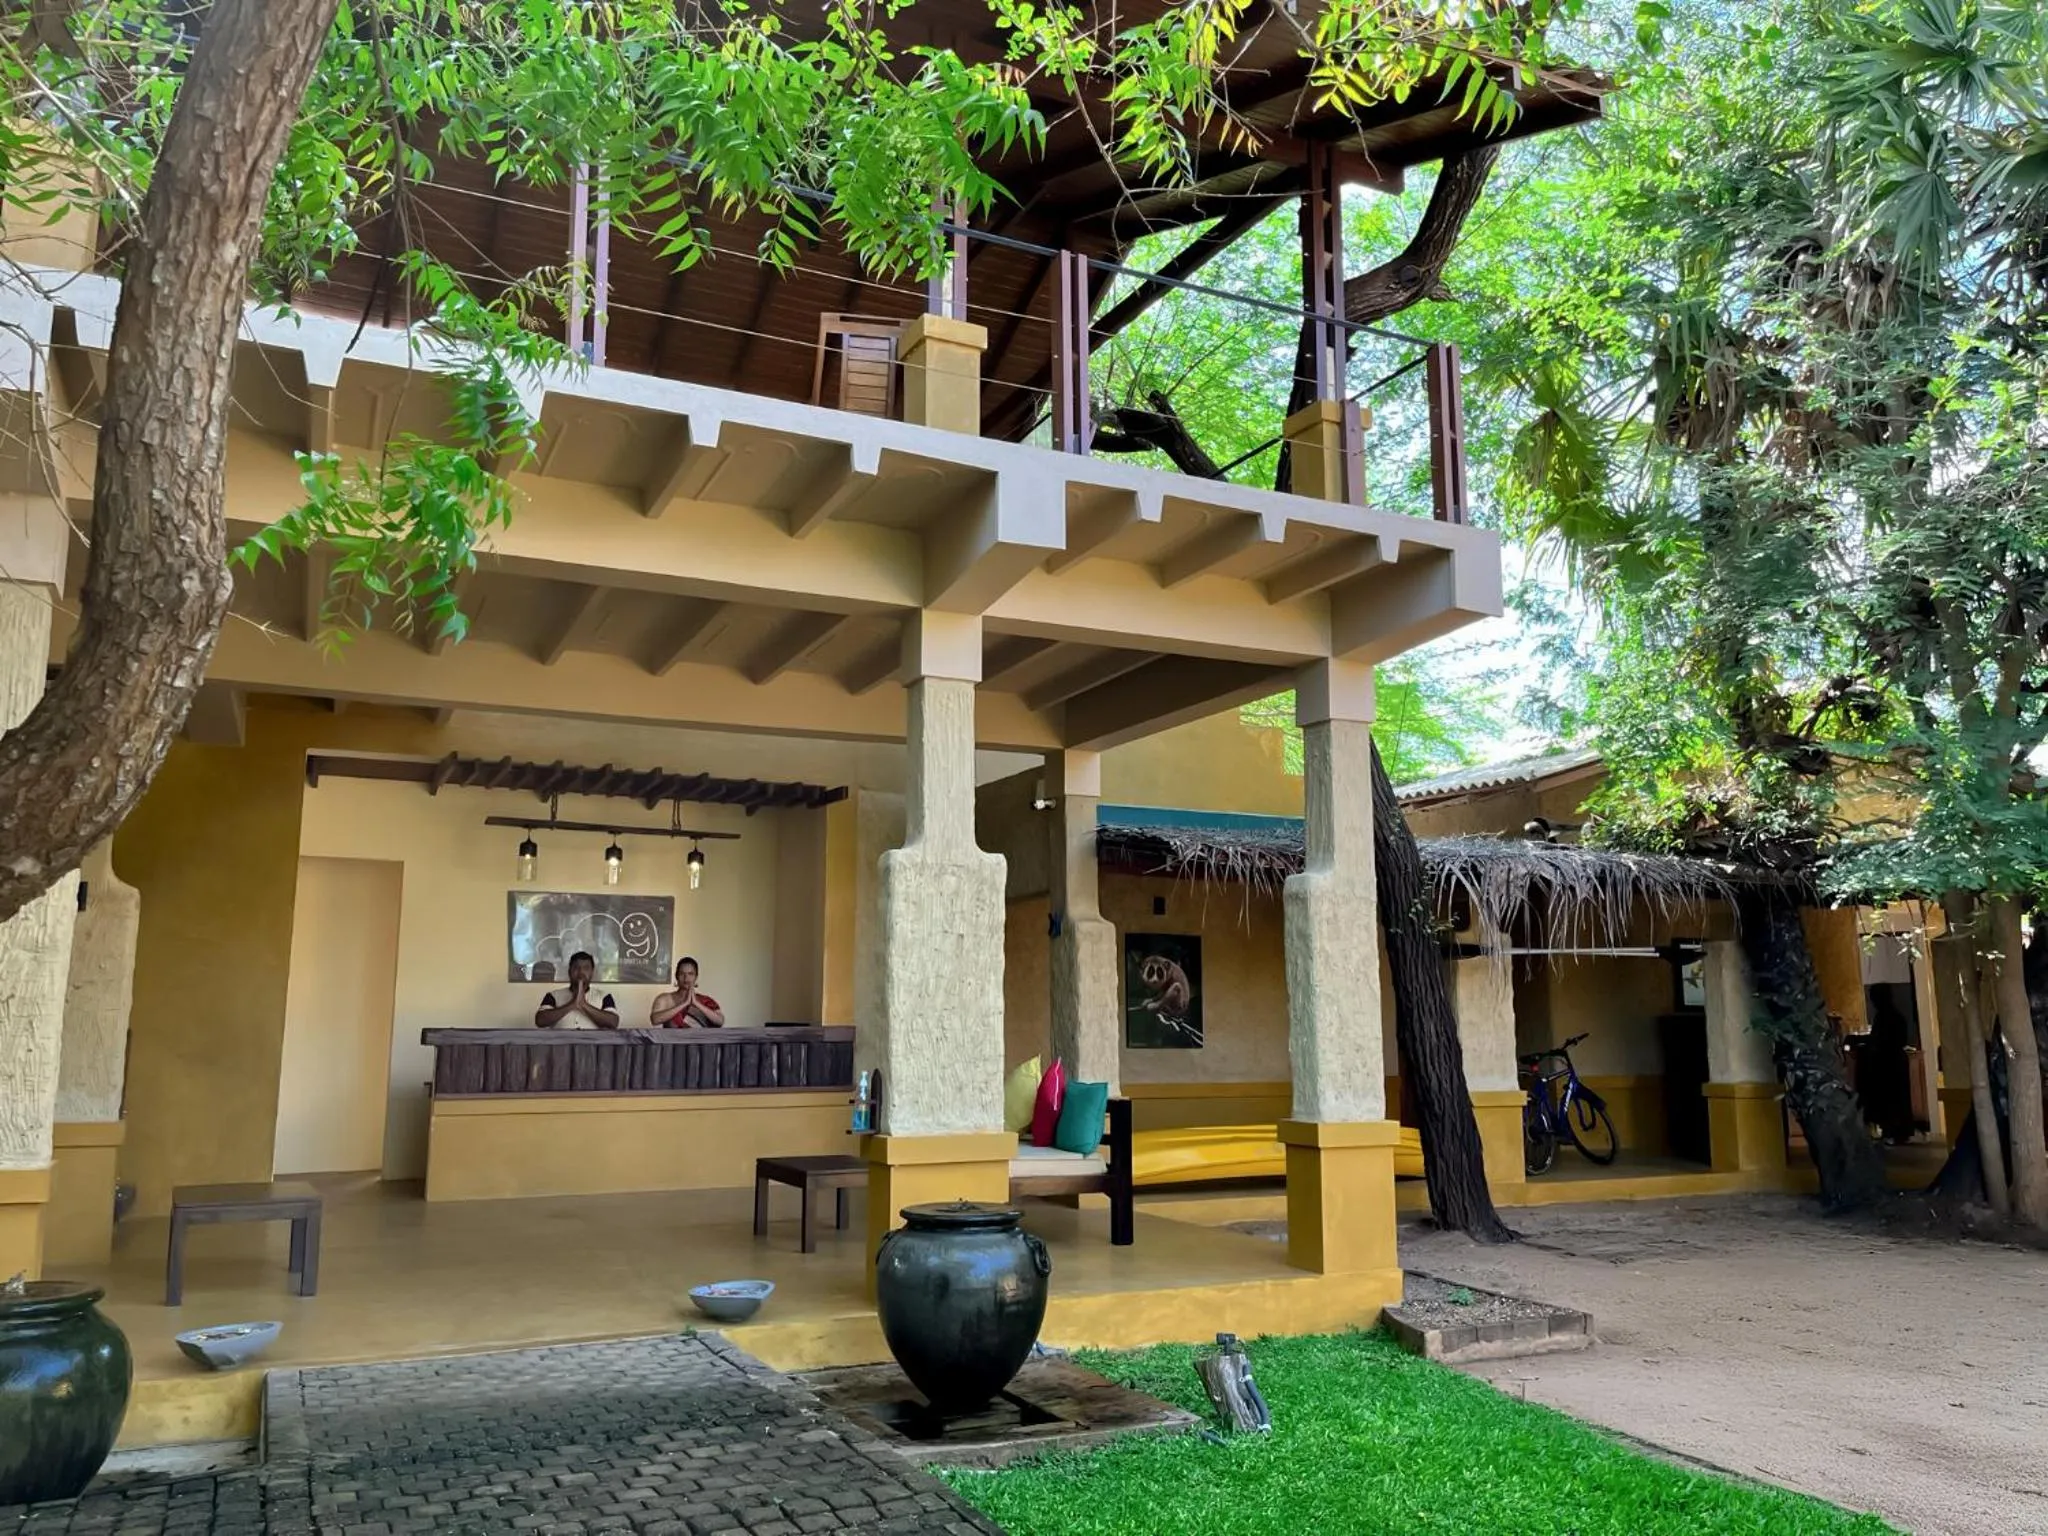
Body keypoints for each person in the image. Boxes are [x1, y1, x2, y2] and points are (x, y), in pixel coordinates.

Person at [534, 951, 620, 1029]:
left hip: (592, 1046)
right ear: (569, 971)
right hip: (561, 1045)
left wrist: (584, 1004)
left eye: (586, 968)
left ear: (592, 972)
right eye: (576, 967)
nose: (581, 972)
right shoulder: (553, 995)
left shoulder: (604, 997)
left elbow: (613, 1023)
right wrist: (572, 1004)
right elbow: (540, 1021)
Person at [650, 956, 724, 1028]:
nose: (686, 978)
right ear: (676, 976)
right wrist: (684, 1004)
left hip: (700, 1040)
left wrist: (696, 1003)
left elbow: (720, 1021)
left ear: (696, 977)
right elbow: (655, 1020)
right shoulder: (664, 999)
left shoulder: (706, 1001)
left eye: (690, 974)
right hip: (672, 1040)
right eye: (682, 974)